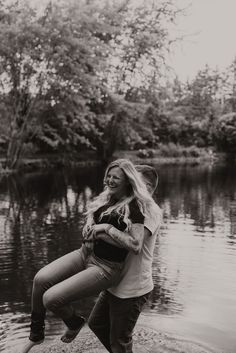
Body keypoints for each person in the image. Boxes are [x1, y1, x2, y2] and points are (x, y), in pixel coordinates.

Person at [20, 159, 154, 353]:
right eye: (108, 176)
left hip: (106, 267)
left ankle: (74, 323)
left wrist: (106, 229)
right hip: (84, 253)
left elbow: (135, 245)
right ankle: (36, 335)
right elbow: (94, 219)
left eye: (115, 177)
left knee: (50, 299)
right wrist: (89, 225)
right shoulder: (106, 198)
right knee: (40, 280)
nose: (109, 180)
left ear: (127, 181)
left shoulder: (134, 208)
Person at [87, 164, 162, 353]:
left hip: (132, 287)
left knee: (119, 339)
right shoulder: (126, 205)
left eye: (136, 182)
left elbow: (134, 245)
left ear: (149, 188)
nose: (131, 186)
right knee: (96, 324)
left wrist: (102, 230)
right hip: (115, 281)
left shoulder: (151, 211)